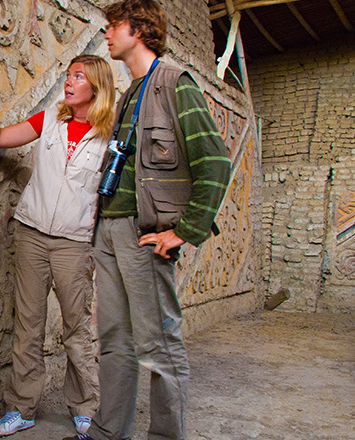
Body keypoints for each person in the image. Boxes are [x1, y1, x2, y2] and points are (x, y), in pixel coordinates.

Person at [65, 1, 231, 440]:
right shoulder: (129, 92)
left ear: (137, 29)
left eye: (112, 26)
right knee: (114, 341)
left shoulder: (175, 83)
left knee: (159, 346)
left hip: (144, 233)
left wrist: (185, 230)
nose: (106, 34)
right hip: (111, 229)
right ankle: (107, 432)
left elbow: (215, 162)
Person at [0, 55, 116, 437]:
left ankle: (85, 409)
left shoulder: (109, 137)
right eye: (68, 75)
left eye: (78, 76)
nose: (69, 81)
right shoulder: (50, 121)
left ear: (96, 86)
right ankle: (22, 408)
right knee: (28, 325)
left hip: (74, 244)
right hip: (31, 235)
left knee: (76, 329)